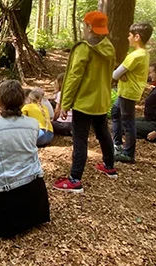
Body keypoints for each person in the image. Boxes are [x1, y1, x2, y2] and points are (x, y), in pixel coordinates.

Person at [54, 11, 118, 193]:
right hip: (101, 101)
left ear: (89, 27)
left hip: (84, 101)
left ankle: (75, 179)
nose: (84, 27)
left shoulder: (84, 48)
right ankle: (109, 166)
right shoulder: (109, 47)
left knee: (80, 139)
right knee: (102, 132)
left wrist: (65, 103)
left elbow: (74, 77)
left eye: (85, 25)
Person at [0, 80, 50, 238]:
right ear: (22, 100)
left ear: (0, 102)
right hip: (34, 189)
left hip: (4, 194)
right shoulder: (33, 124)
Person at [111, 22, 153, 164]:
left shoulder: (135, 56)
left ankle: (129, 153)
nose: (127, 38)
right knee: (115, 113)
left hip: (128, 92)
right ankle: (116, 144)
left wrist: (120, 75)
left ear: (137, 37)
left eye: (129, 35)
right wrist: (123, 74)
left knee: (128, 122)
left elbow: (116, 74)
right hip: (126, 90)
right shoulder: (144, 53)